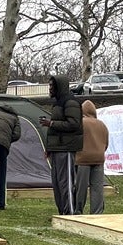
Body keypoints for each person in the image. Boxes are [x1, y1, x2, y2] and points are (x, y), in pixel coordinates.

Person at [38, 75, 83, 215]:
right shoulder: (58, 103)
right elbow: (55, 129)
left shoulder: (70, 102)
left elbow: (73, 124)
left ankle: (70, 212)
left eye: (52, 86)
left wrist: (51, 123)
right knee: (57, 183)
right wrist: (49, 148)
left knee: (66, 182)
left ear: (59, 86)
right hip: (56, 148)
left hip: (66, 148)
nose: (50, 88)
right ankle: (62, 212)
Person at [72, 100, 108, 213]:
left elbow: (74, 141)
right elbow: (106, 143)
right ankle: (96, 212)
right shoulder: (102, 124)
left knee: (81, 187)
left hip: (82, 159)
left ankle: (78, 210)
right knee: (97, 188)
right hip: (99, 158)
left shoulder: (80, 123)